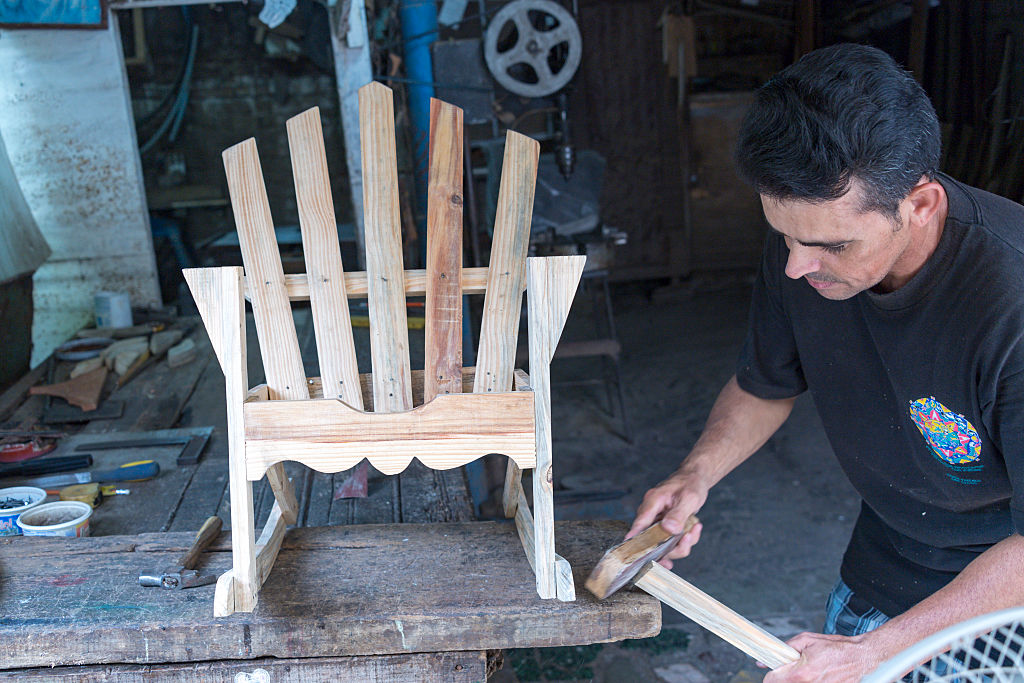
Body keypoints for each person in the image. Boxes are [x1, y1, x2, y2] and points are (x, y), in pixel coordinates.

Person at [629, 43, 1024, 681]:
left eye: (831, 244)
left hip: (997, 614)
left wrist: (880, 651)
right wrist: (695, 475)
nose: (795, 266)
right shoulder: (806, 241)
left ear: (919, 205)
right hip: (881, 564)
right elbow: (766, 384)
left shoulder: (1011, 301)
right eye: (785, 236)